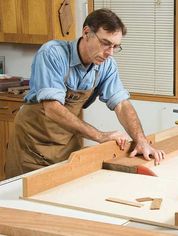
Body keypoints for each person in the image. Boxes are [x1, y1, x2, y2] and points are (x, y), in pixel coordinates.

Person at [5, 8, 165, 178]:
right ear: (86, 32)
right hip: (31, 146)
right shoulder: (53, 53)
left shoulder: (106, 65)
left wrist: (141, 140)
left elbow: (121, 104)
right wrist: (100, 136)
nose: (109, 53)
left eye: (115, 46)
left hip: (66, 145)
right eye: (105, 43)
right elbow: (52, 108)